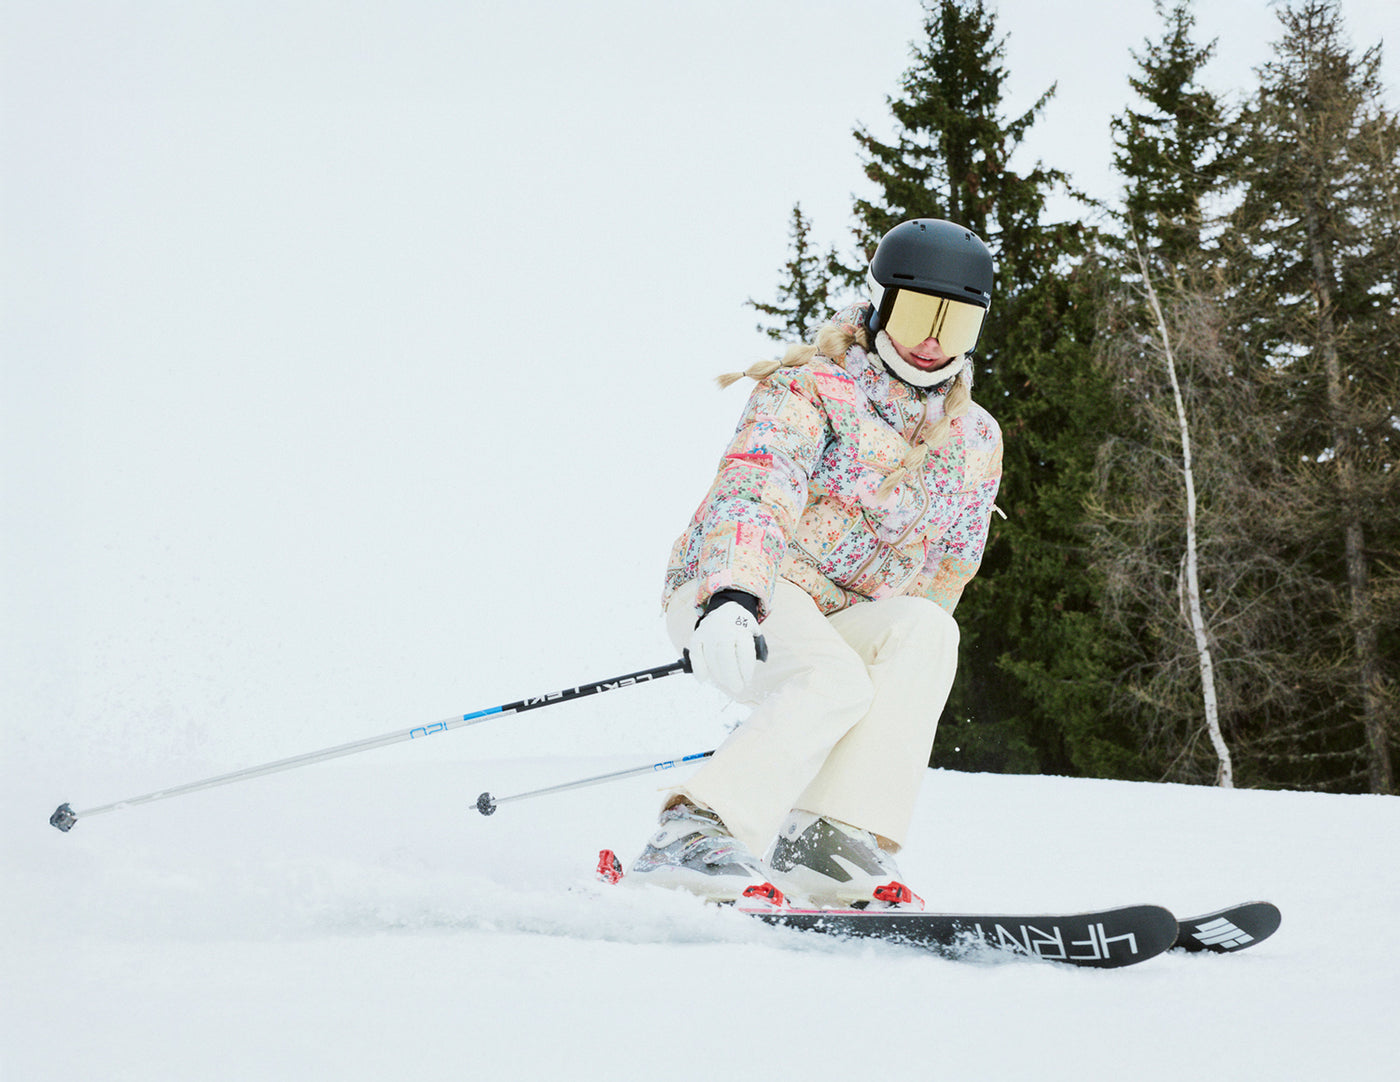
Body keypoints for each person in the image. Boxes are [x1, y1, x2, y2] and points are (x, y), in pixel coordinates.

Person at [631, 219, 1003, 908]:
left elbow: (950, 567)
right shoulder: (811, 388)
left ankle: (829, 839)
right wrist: (734, 596)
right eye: (919, 315)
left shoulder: (975, 438)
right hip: (738, 589)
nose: (931, 341)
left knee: (927, 631)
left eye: (954, 326)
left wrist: (898, 686)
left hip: (842, 618)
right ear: (880, 305)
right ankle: (692, 833)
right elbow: (756, 488)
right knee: (834, 679)